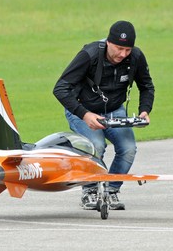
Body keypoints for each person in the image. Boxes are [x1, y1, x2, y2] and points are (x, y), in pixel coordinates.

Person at [53, 20, 155, 210]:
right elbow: (60, 88)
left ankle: (110, 190)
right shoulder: (89, 55)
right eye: (119, 48)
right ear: (108, 42)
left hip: (114, 109)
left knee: (128, 148)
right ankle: (90, 191)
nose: (123, 54)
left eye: (127, 50)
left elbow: (147, 86)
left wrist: (144, 111)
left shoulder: (136, 57)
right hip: (82, 109)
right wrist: (84, 115)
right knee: (96, 146)